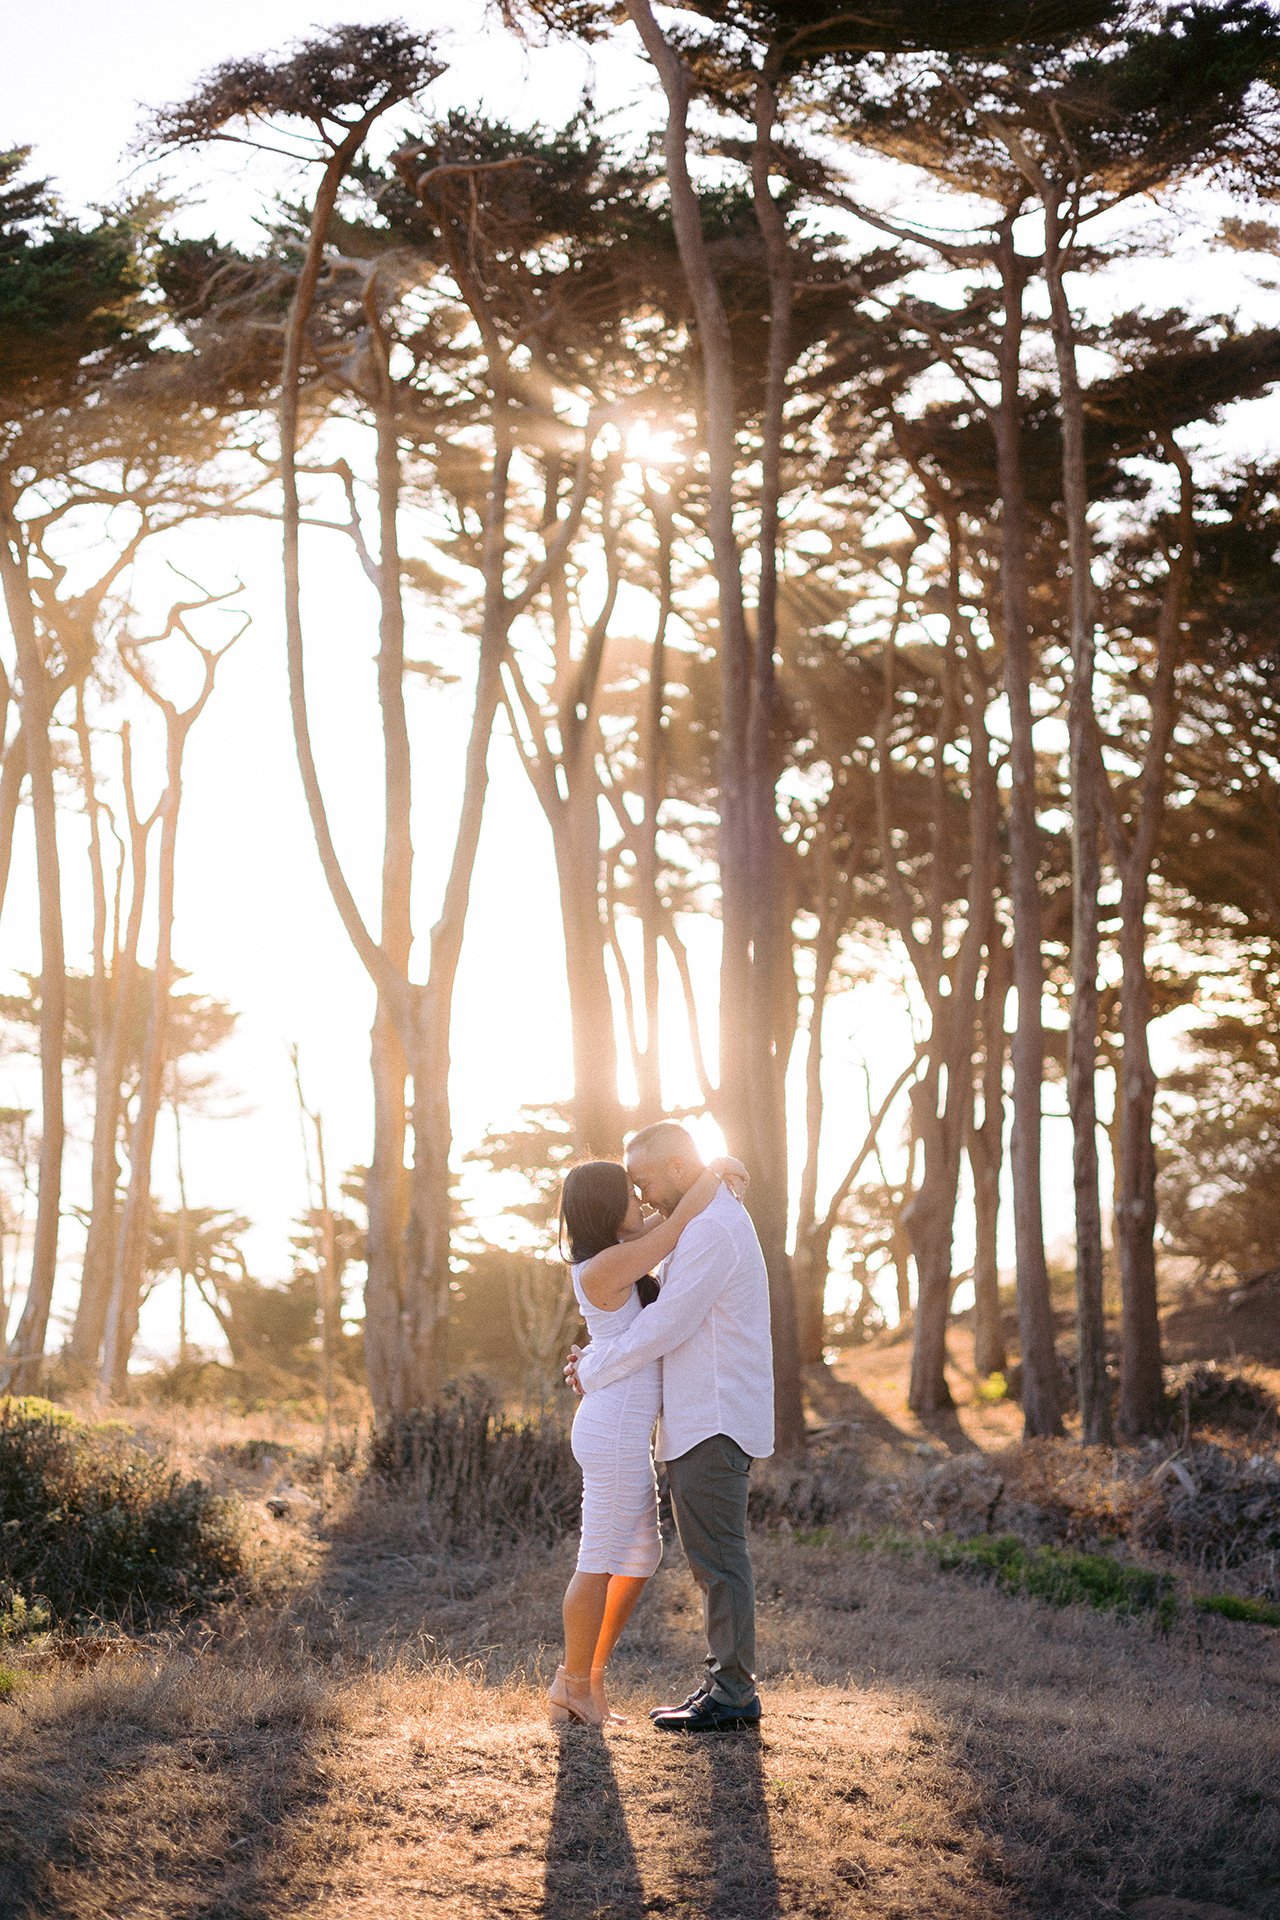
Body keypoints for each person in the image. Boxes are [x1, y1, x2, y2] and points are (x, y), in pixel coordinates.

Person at [565, 1120, 774, 1735]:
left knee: (713, 1559)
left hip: (710, 1416)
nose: (642, 1194)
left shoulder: (709, 1226)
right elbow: (645, 1303)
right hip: (675, 1418)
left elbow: (667, 1324)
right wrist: (718, 1173)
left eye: (646, 1180)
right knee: (659, 1555)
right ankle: (584, 1681)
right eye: (630, 1189)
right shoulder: (696, 1219)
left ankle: (731, 1692)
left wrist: (595, 1364)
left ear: (679, 1171)